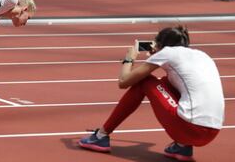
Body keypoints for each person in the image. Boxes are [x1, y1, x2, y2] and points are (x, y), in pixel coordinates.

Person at [79, 26, 225, 162]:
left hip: (189, 128)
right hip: (212, 132)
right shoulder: (203, 55)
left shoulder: (167, 52)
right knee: (168, 83)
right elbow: (171, 83)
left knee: (144, 81)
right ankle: (182, 147)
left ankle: (101, 136)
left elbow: (123, 82)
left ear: (161, 45)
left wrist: (129, 58)